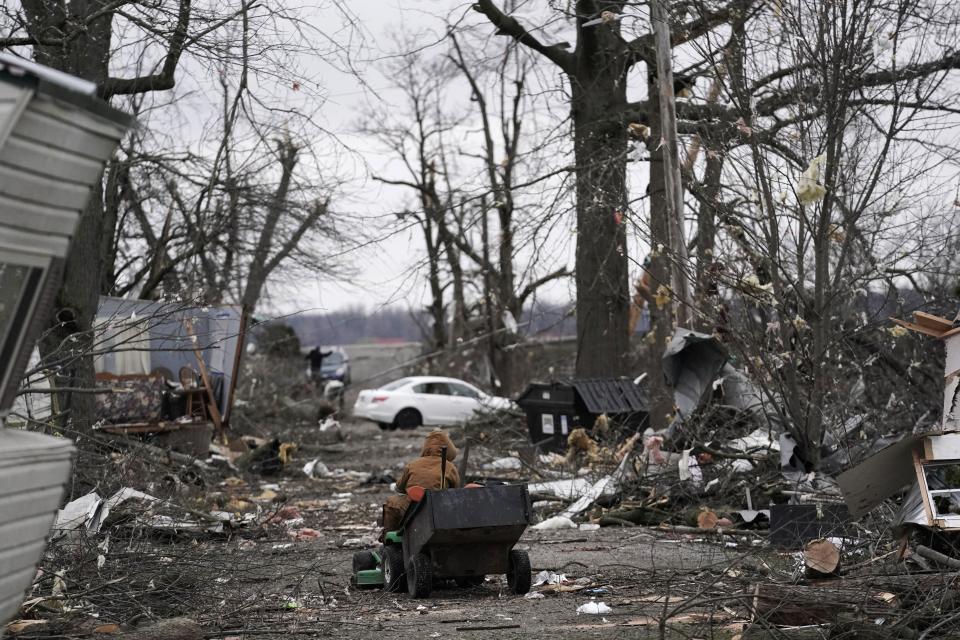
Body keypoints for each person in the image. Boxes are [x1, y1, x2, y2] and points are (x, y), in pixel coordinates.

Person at [382, 430, 460, 535]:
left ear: (426, 448)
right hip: (439, 508)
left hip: (413, 508)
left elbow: (399, 488)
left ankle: (390, 535)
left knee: (391, 502)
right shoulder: (450, 467)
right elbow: (456, 491)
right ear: (449, 450)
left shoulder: (413, 464)